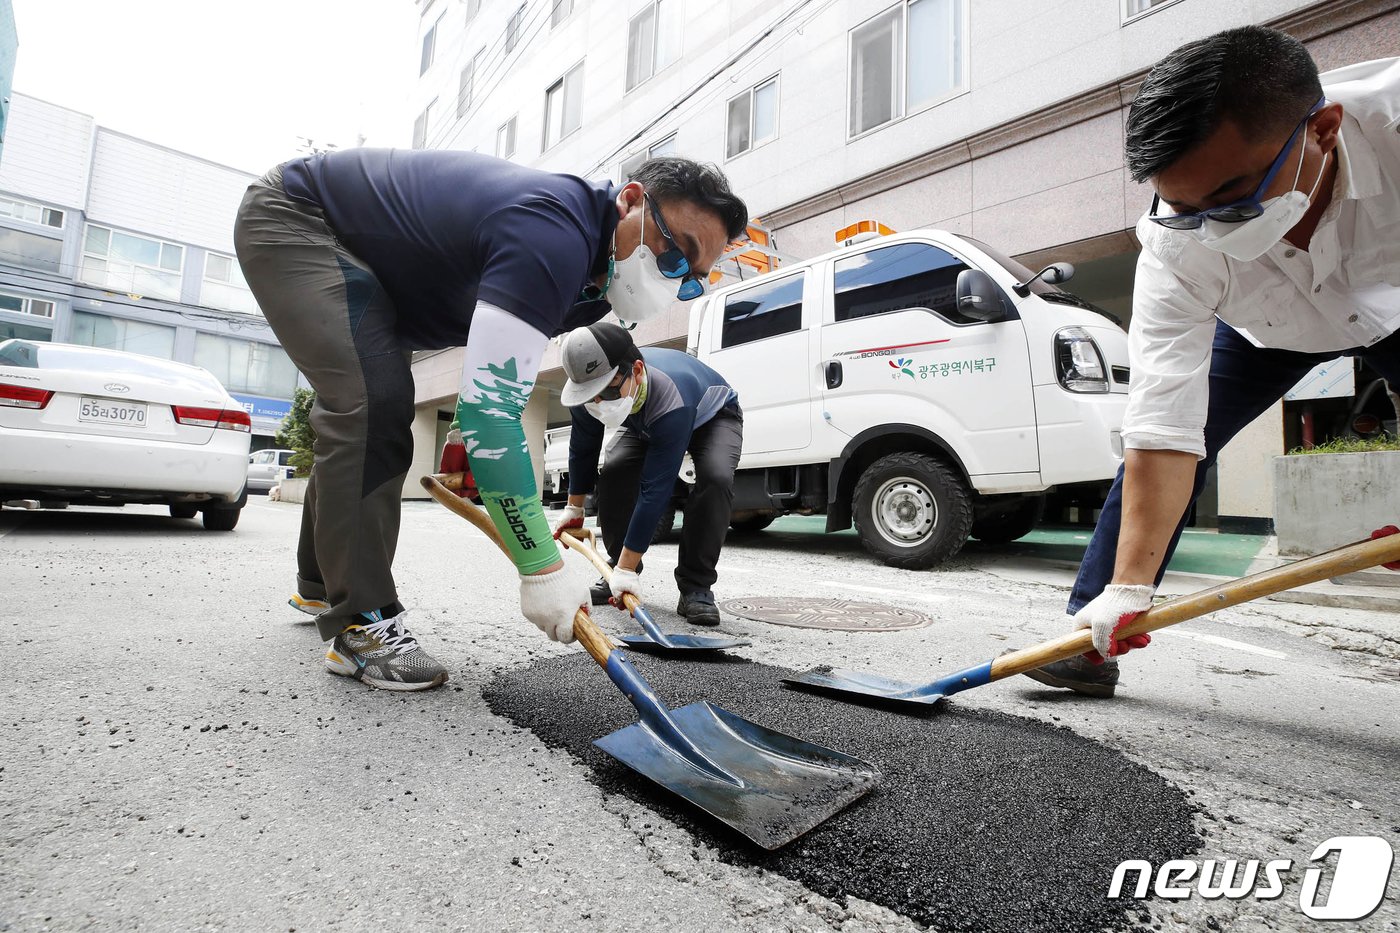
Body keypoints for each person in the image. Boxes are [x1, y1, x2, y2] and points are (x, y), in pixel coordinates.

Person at [234, 151, 747, 690]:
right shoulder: (554, 233)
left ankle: (321, 583)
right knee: (373, 405)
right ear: (631, 201)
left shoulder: (593, 293)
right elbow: (491, 412)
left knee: (370, 404)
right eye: (675, 255)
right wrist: (541, 565)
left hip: (384, 281)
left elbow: (491, 376)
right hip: (299, 219)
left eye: (691, 280)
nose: (674, 283)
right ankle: (361, 622)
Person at [1025, 29, 1400, 698]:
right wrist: (1130, 585)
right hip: (1266, 333)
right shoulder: (1177, 244)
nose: (1214, 226)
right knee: (1165, 447)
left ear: (1323, 129)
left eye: (1232, 198)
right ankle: (1091, 631)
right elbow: (1163, 425)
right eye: (1188, 207)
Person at [552, 323, 743, 626]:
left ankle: (696, 587)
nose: (599, 402)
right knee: (614, 470)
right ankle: (621, 564)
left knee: (715, 478)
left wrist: (625, 572)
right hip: (642, 418)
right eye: (591, 395)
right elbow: (583, 449)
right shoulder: (585, 392)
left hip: (712, 417)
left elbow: (656, 489)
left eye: (608, 390)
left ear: (636, 370)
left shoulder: (671, 391)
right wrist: (574, 509)